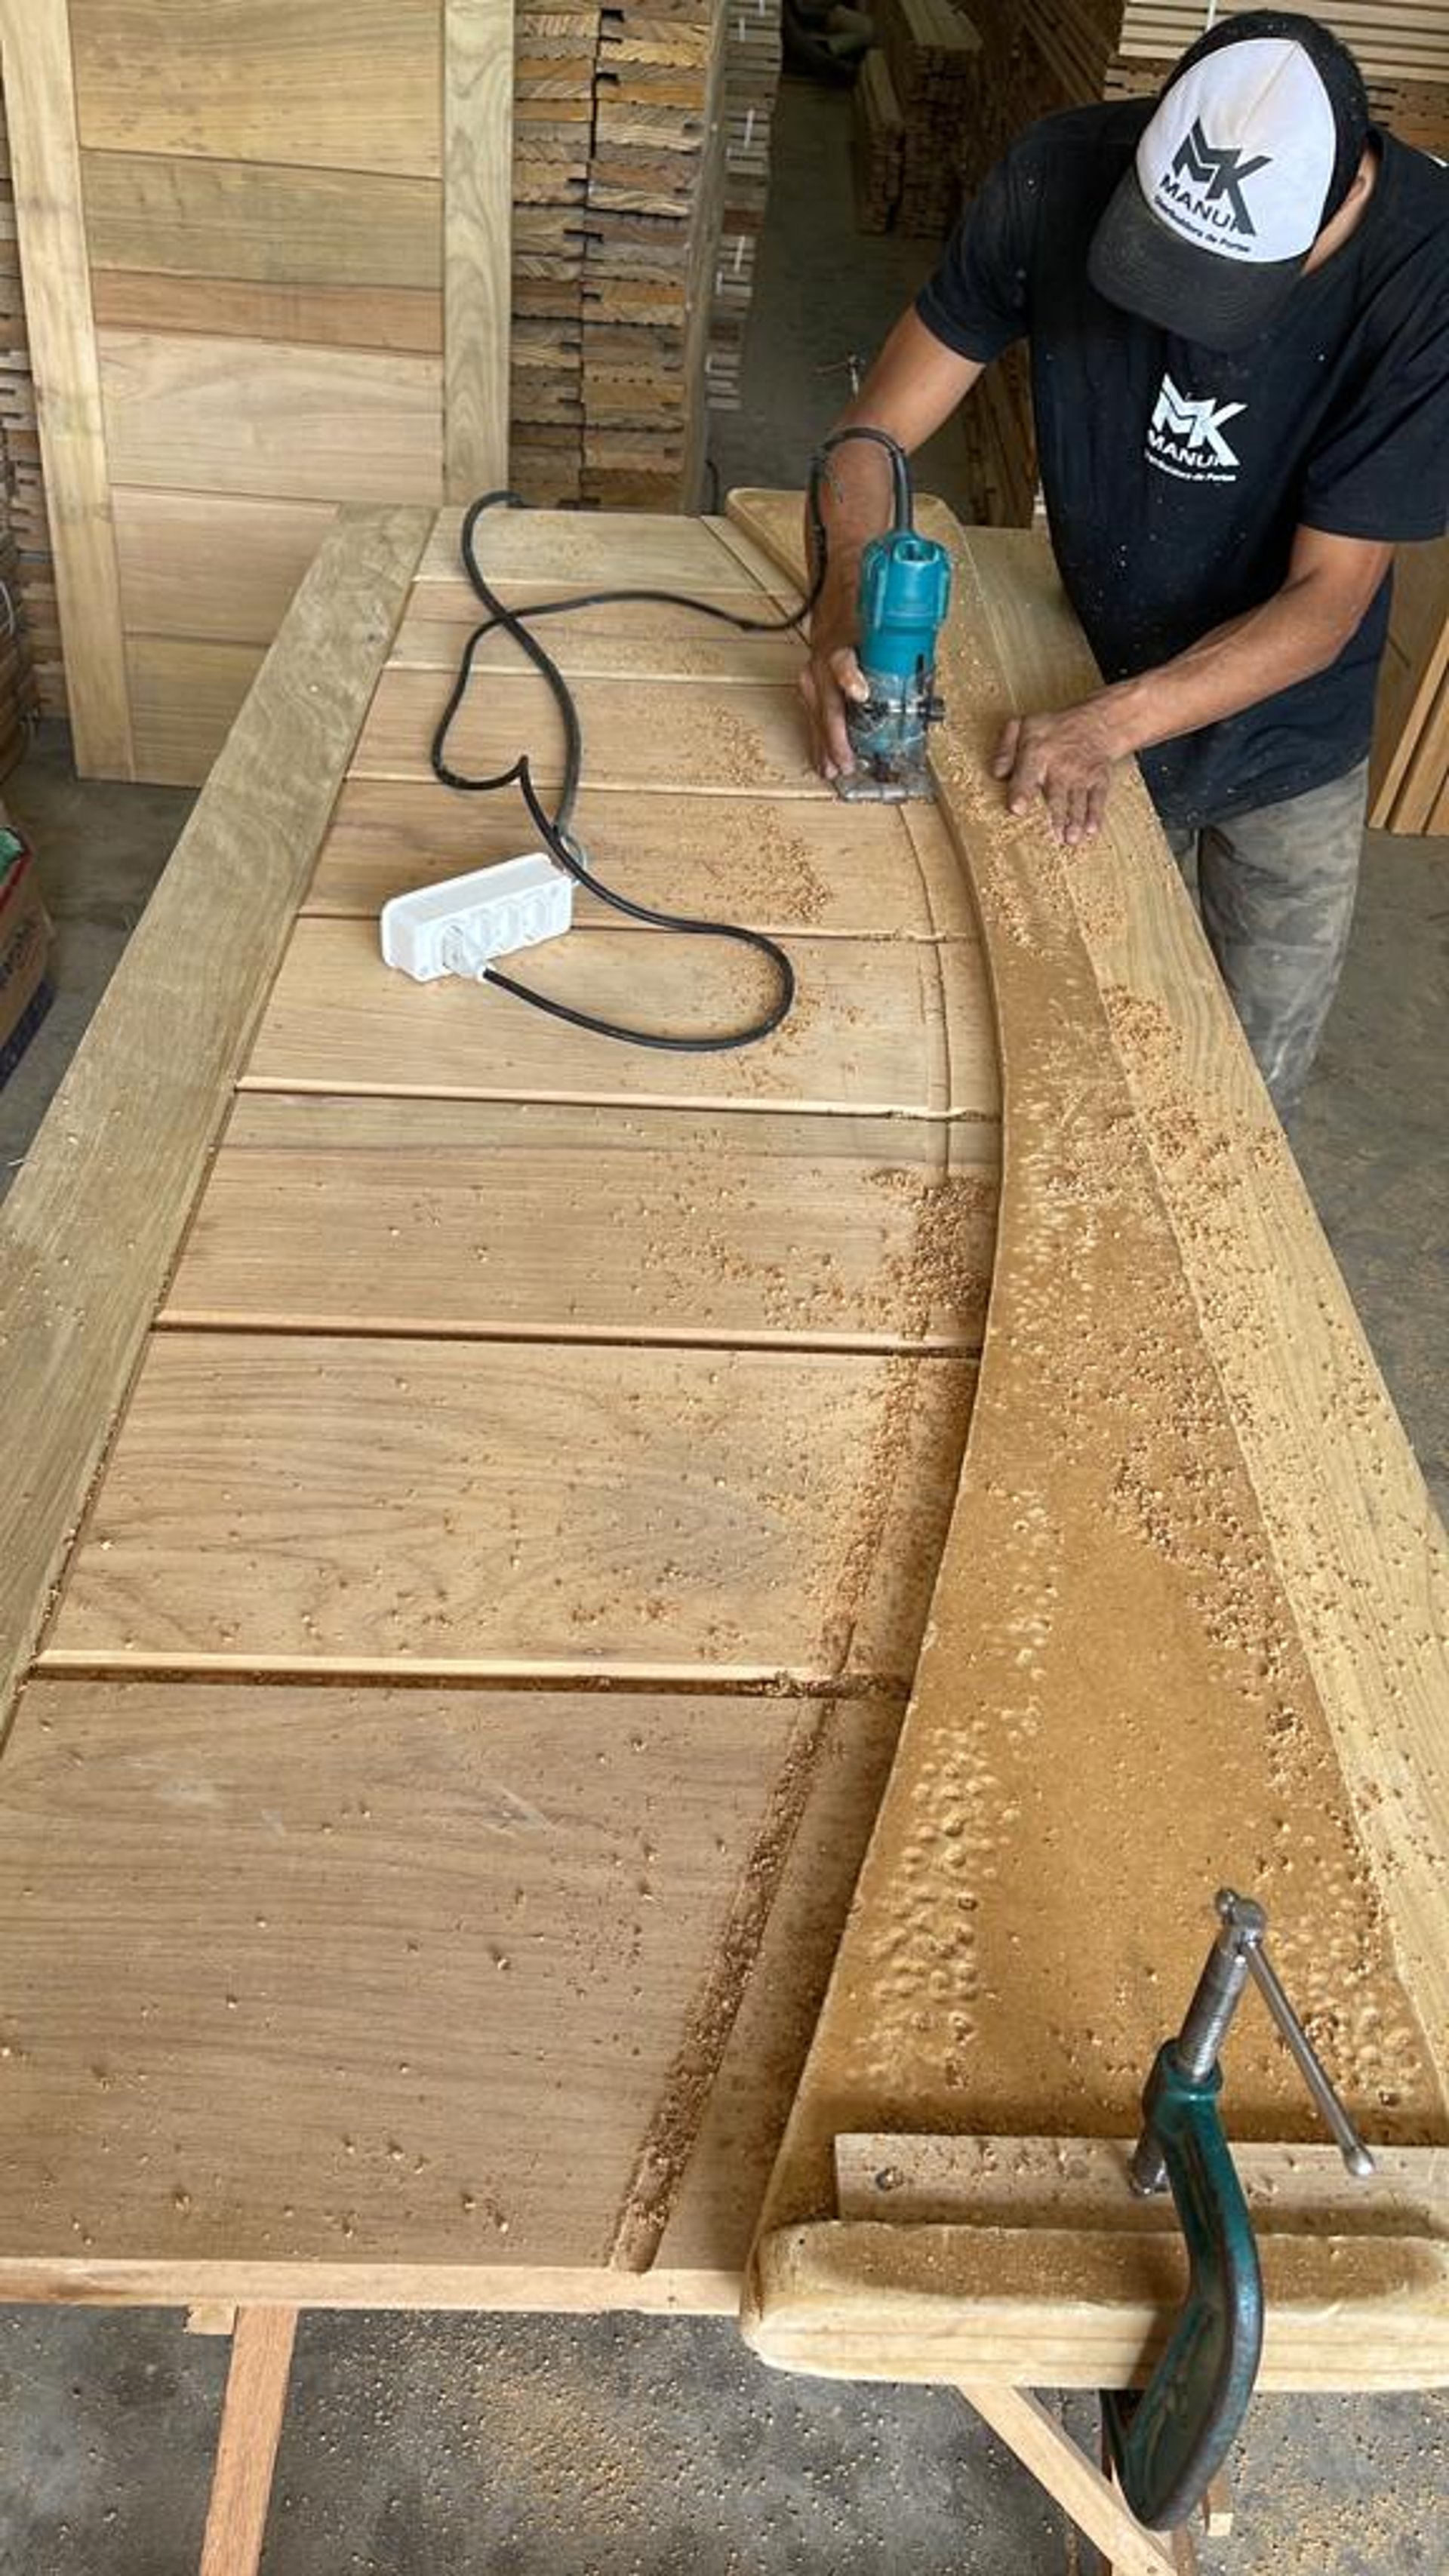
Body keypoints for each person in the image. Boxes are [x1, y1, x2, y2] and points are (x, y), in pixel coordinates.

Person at [803, 11, 1449, 1112]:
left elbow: (1326, 603)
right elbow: (874, 436)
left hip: (1287, 729)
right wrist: (843, 603)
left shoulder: (1429, 276)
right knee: (1067, 1045)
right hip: (1085, 650)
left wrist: (1111, 724)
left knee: (1239, 1091)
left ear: (1343, 200)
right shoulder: (1061, 176)